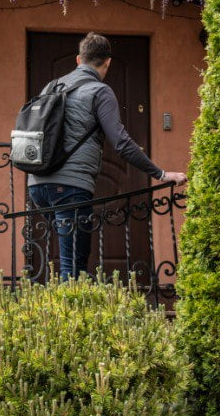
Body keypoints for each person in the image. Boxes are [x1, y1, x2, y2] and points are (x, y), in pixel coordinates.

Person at [27, 32, 187, 279]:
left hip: (37, 185)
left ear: (79, 59)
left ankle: (60, 301)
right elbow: (121, 143)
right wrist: (161, 174)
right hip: (70, 188)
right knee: (73, 266)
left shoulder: (52, 85)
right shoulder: (99, 91)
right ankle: (69, 304)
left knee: (68, 257)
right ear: (107, 63)